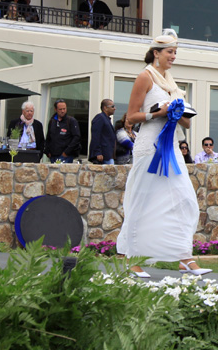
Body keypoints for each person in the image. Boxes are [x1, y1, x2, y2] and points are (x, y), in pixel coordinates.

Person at [117, 29, 210, 277]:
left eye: (175, 52)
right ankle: (132, 258)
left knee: (183, 200)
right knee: (142, 200)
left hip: (171, 148)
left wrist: (178, 113)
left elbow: (187, 123)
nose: (174, 56)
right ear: (157, 53)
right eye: (170, 52)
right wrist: (158, 112)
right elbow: (131, 117)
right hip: (150, 147)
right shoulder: (145, 77)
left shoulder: (171, 81)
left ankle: (184, 257)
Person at [88, 99, 118, 164]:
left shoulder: (106, 119)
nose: (114, 108)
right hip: (103, 156)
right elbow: (96, 136)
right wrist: (97, 152)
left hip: (108, 155)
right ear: (105, 108)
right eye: (112, 106)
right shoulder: (100, 118)